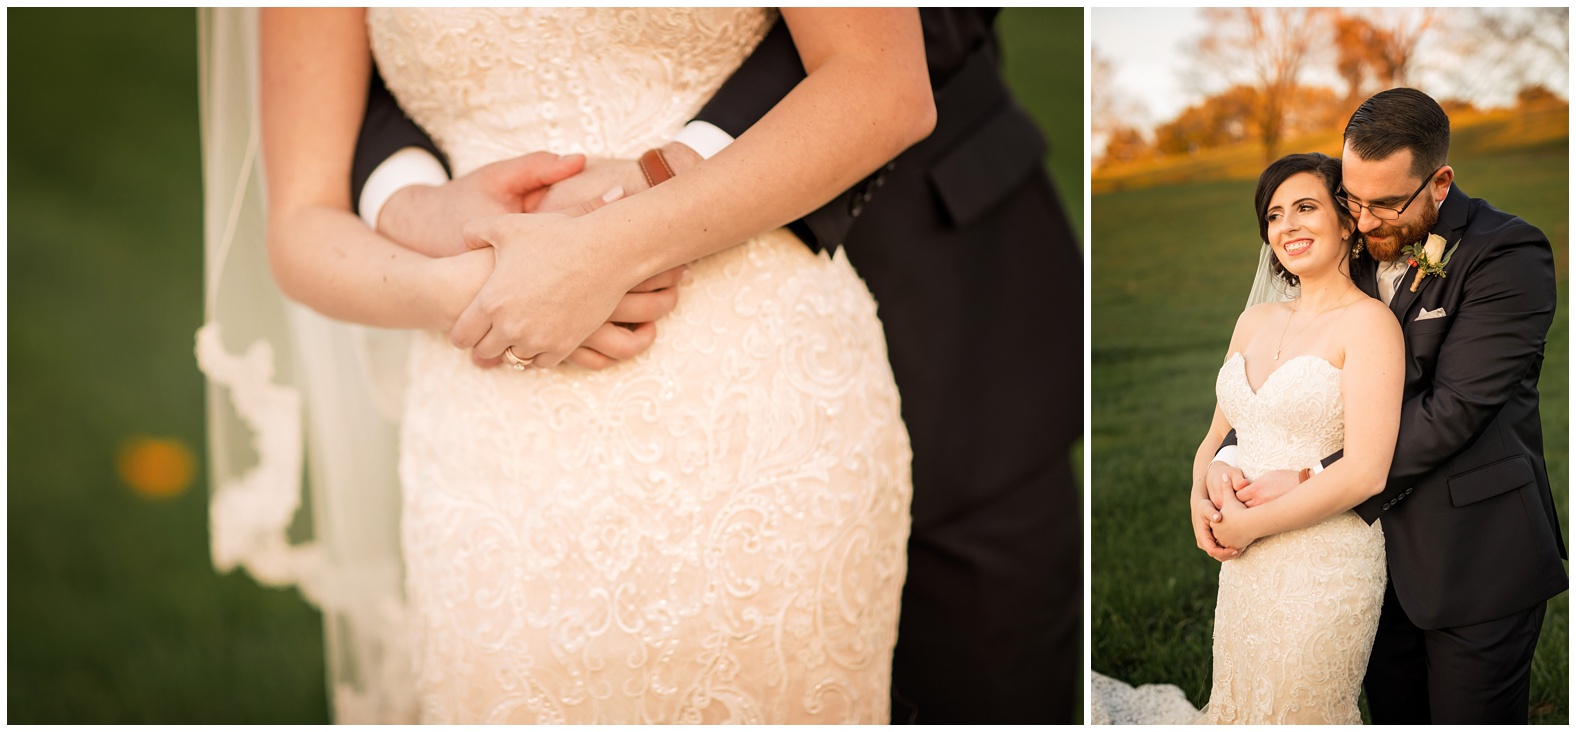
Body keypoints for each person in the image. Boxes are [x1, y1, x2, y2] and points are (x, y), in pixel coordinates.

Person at [202, 7, 936, 723]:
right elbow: (301, 224)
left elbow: (883, 85)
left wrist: (606, 251)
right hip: (493, 445)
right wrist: (468, 290)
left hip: (761, 418)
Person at [352, 10, 1082, 723]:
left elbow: (893, 57)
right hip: (509, 411)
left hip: (923, 290)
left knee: (986, 671)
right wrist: (410, 201)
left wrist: (668, 173)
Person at [1206, 89, 1567, 723]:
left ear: (1441, 182)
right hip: (1362, 559)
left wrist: (1314, 474)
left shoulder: (1508, 255)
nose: (1367, 222)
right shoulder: (1353, 252)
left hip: (1472, 552)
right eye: (1353, 200)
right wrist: (1222, 464)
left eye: (1386, 204)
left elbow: (1456, 407)